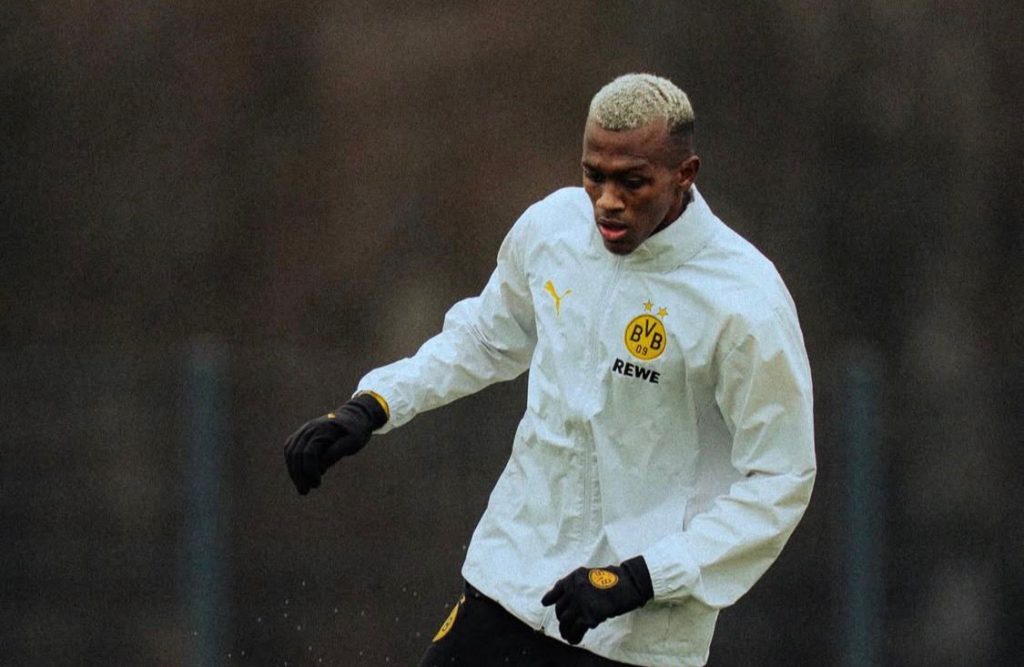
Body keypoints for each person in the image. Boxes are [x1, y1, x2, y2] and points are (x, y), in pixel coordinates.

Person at [284, 73, 816, 667]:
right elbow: (485, 337)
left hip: (637, 634)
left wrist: (645, 576)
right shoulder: (552, 228)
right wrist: (375, 404)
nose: (607, 200)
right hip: (511, 581)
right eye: (594, 175)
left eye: (632, 181)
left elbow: (780, 479)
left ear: (684, 174)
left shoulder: (743, 299)